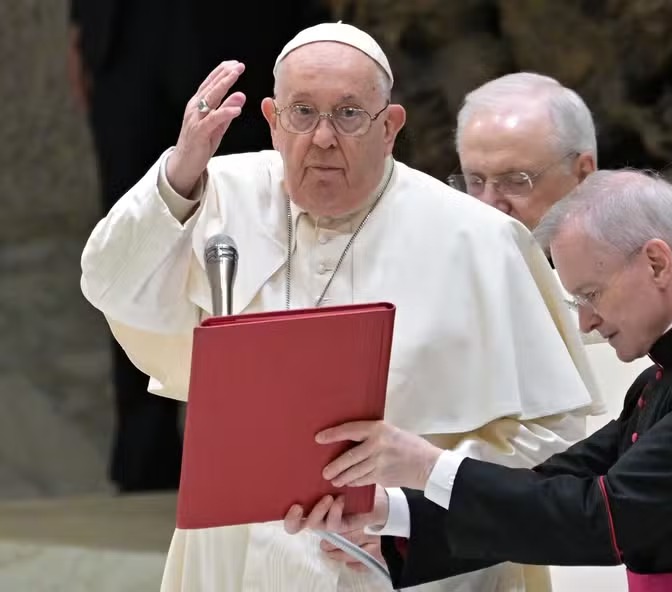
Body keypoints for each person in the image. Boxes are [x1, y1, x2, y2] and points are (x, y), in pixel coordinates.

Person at [79, 22, 605, 592]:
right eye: (302, 112)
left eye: (349, 114)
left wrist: (412, 502)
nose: (323, 137)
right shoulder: (215, 193)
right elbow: (108, 282)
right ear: (273, 121)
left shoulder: (476, 238)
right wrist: (178, 172)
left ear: (391, 127)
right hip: (239, 550)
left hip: (401, 558)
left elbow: (552, 436)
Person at [288, 169, 672, 592]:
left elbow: (603, 519)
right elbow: (553, 484)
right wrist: (390, 512)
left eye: (590, 294)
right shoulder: (671, 376)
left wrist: (427, 464)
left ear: (657, 263)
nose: (586, 321)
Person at [67, 0, 330, 492]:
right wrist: (82, 26)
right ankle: (145, 453)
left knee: (251, 233)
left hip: (241, 32)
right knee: (138, 231)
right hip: (125, 39)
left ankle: (252, 443)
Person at [446, 72, 597, 232]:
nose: (488, 205)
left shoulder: (622, 254)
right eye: (475, 182)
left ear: (583, 175)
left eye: (516, 181)